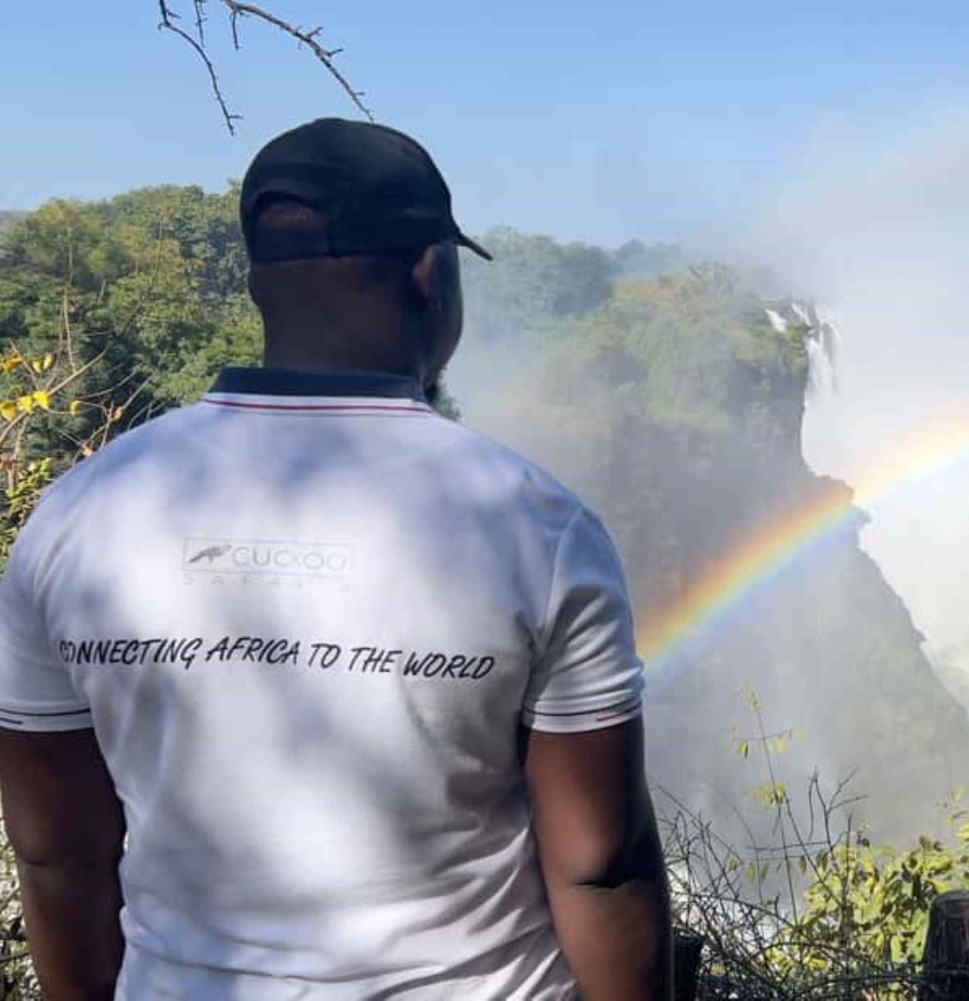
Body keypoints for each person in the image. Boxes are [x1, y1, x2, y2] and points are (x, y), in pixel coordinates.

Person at [0, 118, 670, 999]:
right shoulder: (533, 522)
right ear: (433, 276)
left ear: (255, 281)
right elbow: (600, 863)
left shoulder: (77, 517)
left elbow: (57, 853)